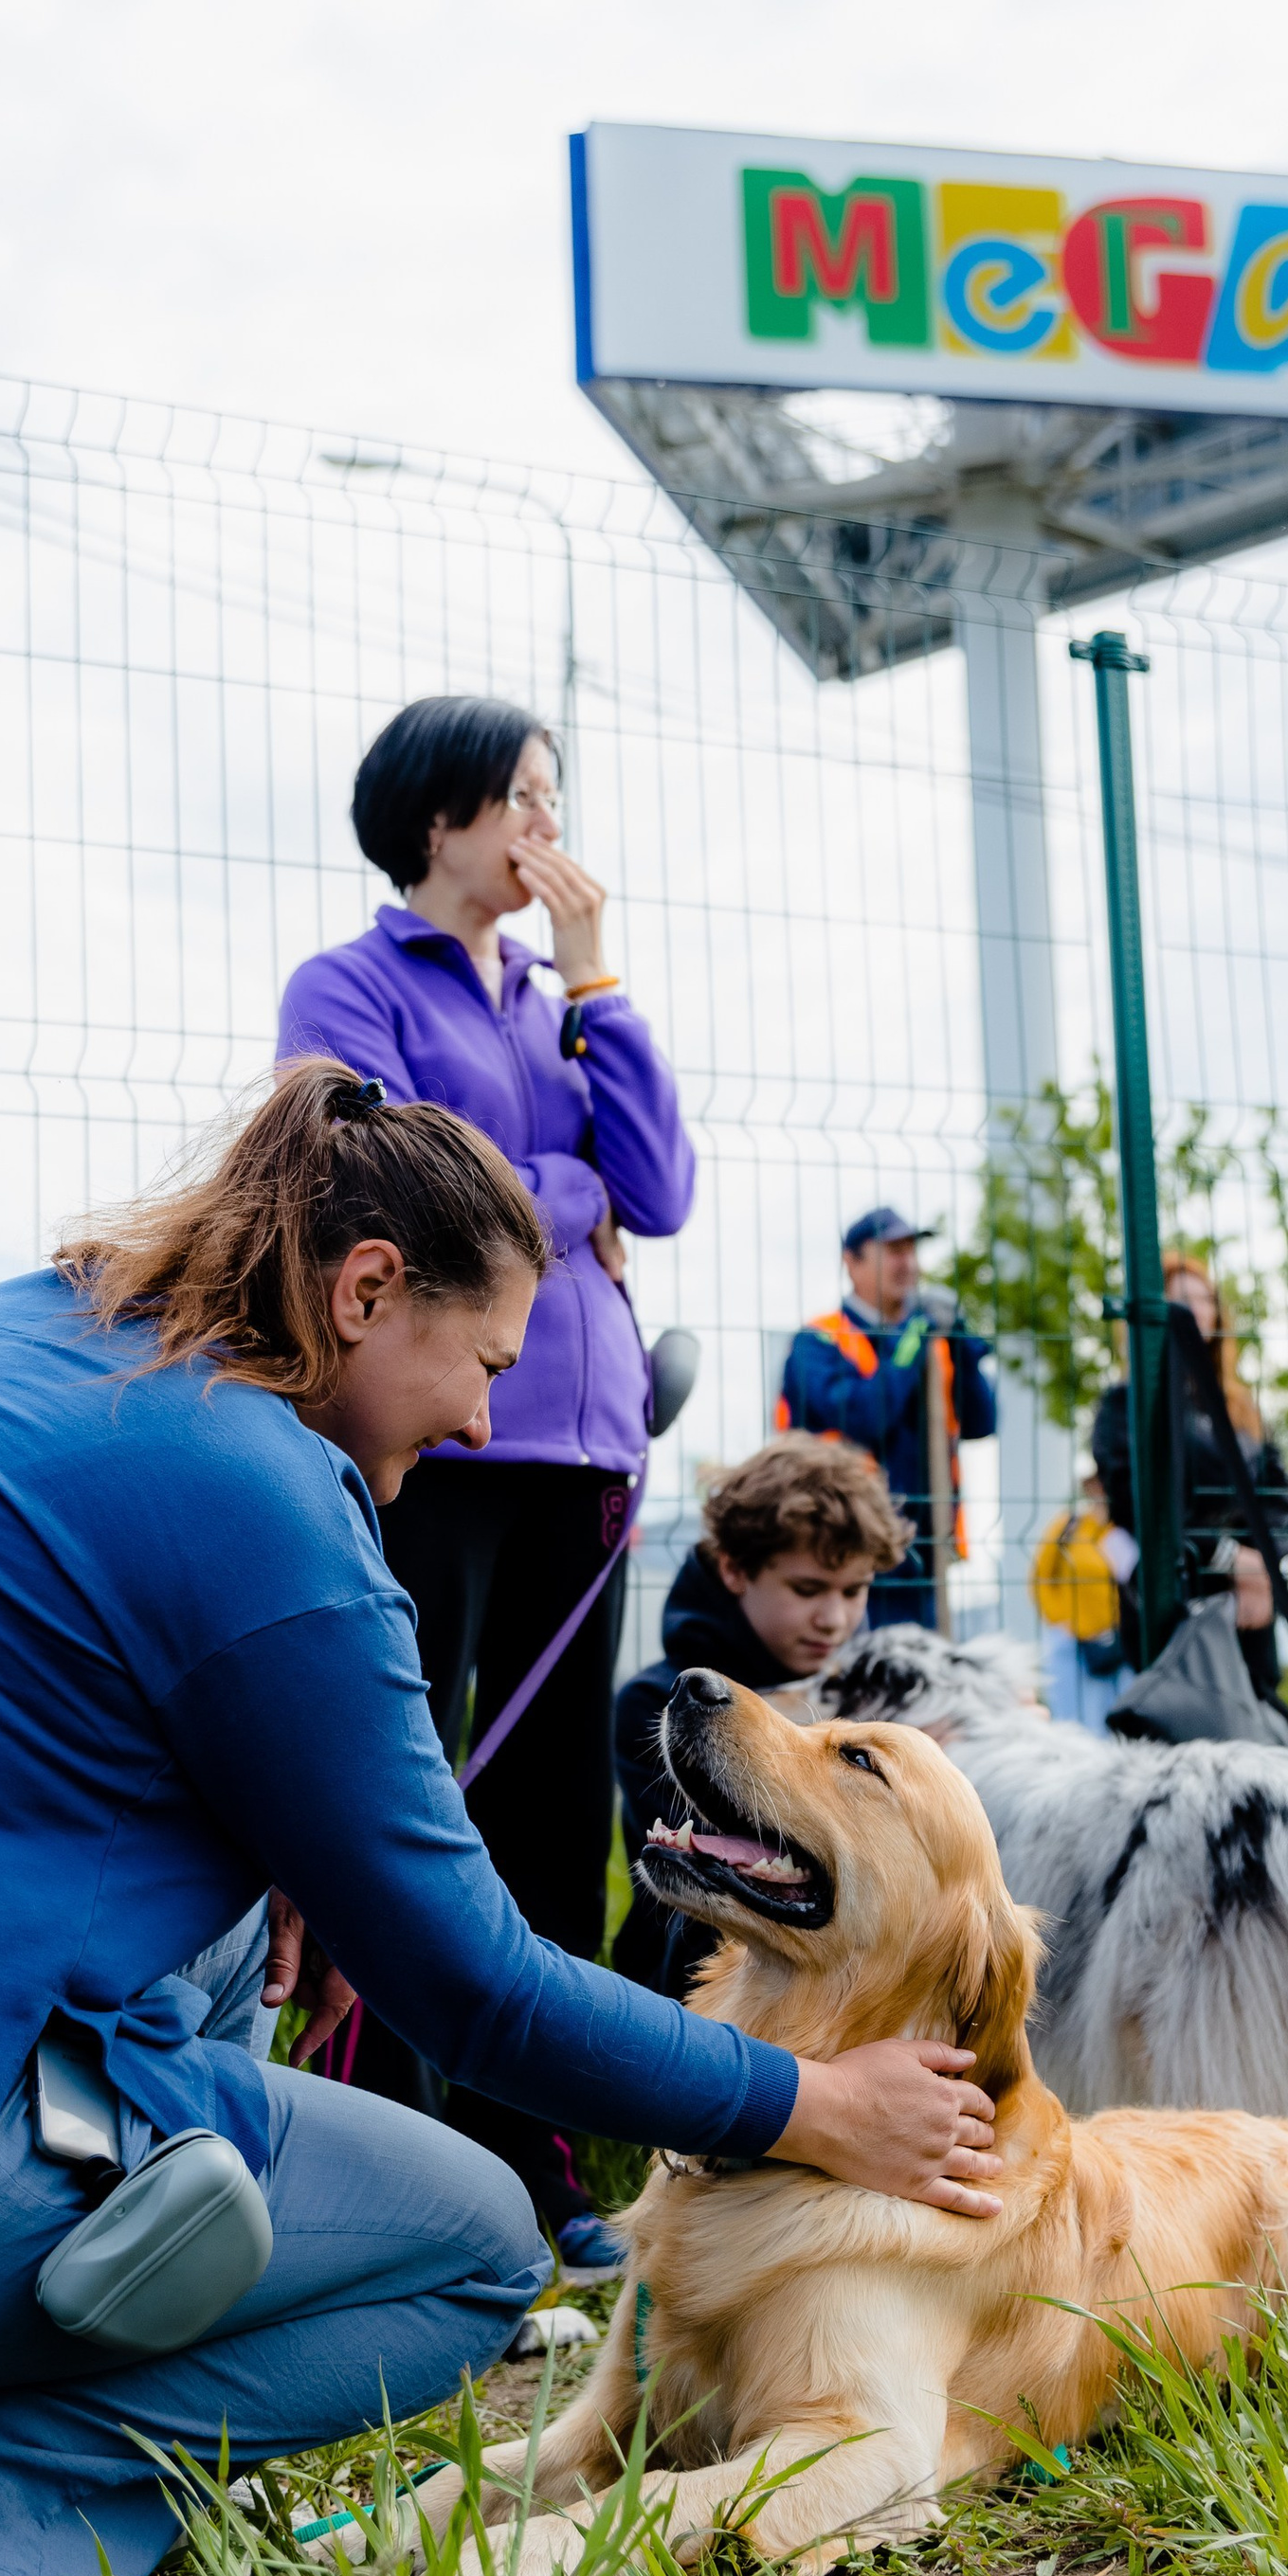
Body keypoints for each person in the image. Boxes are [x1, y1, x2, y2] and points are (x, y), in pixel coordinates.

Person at [0, 1061, 1002, 2576]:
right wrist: (805, 2104)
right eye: (484, 1360)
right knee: (477, 2247)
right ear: (367, 1293)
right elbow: (479, 1989)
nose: (488, 1419)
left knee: (239, 1933)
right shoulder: (268, 1496)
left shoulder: (15, 1335)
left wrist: (266, 1861)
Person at [277, 697, 692, 2284]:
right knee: (404, 1791)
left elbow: (658, 1187)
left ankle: (539, 2173)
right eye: (520, 797)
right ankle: (385, 2166)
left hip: (584, 1445)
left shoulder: (567, 1005)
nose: (546, 828)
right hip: (434, 1439)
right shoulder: (350, 986)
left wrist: (602, 990)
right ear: (438, 820)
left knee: (544, 1820)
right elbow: (386, 1175)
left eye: (554, 799)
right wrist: (563, 1197)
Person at [613, 1434, 909, 2000]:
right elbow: (710, 1886)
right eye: (808, 1589)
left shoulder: (867, 1700)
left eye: (855, 1591)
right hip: (691, 1991)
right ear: (734, 1569)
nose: (834, 1619)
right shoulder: (659, 1703)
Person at [1090, 1252, 1288, 1702]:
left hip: (1249, 1602)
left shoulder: (1242, 1409)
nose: (1197, 1310)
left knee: (1262, 1719)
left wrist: (1263, 1569)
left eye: (1206, 1299)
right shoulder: (1124, 1405)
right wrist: (1227, 1556)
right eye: (1182, 1299)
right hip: (1174, 1602)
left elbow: (1279, 1498)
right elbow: (1137, 1507)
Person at [774, 1206, 994, 1627]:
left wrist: (962, 1340)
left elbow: (982, 1422)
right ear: (852, 1262)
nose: (907, 1263)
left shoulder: (928, 1338)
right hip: (843, 1557)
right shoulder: (817, 1343)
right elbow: (866, 1416)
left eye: (911, 1250)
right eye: (892, 1250)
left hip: (925, 1552)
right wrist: (913, 1335)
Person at [1032, 1468, 1128, 1734]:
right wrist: (1057, 1618)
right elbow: (1040, 1576)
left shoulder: (1120, 1532)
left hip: (1116, 1641)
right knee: (1074, 1720)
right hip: (1072, 1641)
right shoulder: (1068, 1527)